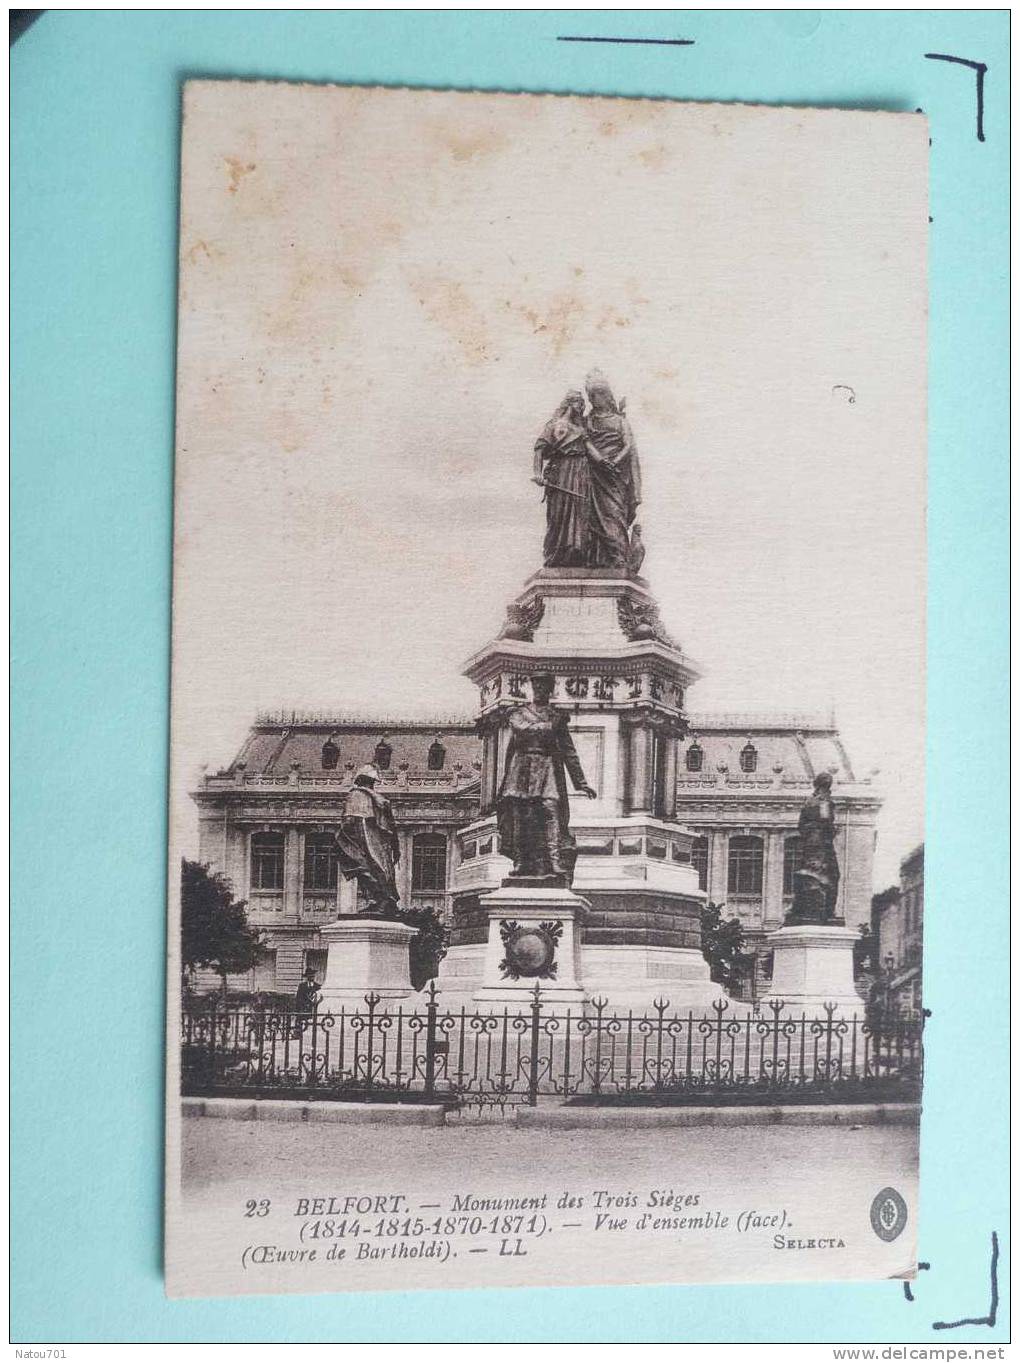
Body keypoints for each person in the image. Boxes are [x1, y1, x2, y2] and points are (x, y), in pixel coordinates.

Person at [497, 673, 596, 883]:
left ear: (550, 690)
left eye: (545, 686)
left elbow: (569, 751)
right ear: (532, 687)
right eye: (537, 685)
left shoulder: (556, 716)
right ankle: (521, 861)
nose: (540, 689)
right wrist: (548, 729)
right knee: (522, 815)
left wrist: (582, 782)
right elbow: (519, 734)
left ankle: (554, 860)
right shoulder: (519, 713)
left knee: (551, 810)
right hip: (522, 767)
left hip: (547, 765)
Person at [583, 369, 642, 570]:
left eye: (599, 394)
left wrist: (614, 461)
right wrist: (599, 461)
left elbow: (629, 445)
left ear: (607, 396)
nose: (595, 399)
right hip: (593, 473)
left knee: (614, 514)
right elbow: (584, 441)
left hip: (615, 476)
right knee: (591, 516)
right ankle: (596, 558)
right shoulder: (586, 421)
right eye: (592, 395)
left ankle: (619, 557)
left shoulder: (620, 421)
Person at [533, 389, 591, 567]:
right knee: (559, 512)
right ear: (569, 404)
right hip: (562, 472)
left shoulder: (581, 429)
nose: (581, 408)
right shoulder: (556, 425)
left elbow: (590, 450)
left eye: (583, 405)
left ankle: (577, 550)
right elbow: (540, 449)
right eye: (578, 404)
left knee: (580, 510)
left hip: (581, 473)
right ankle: (558, 550)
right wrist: (537, 472)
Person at [334, 763, 401, 916]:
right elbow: (392, 828)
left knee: (361, 867)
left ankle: (379, 900)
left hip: (364, 842)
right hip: (381, 846)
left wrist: (343, 840)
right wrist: (396, 849)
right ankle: (383, 900)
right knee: (379, 870)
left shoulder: (356, 795)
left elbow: (350, 821)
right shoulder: (381, 800)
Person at [792, 772, 841, 920]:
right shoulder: (824, 801)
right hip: (822, 845)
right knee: (832, 875)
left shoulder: (808, 802)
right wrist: (833, 831)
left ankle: (801, 909)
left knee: (808, 874)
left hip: (809, 843)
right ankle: (826, 912)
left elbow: (800, 825)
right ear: (825, 787)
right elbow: (826, 821)